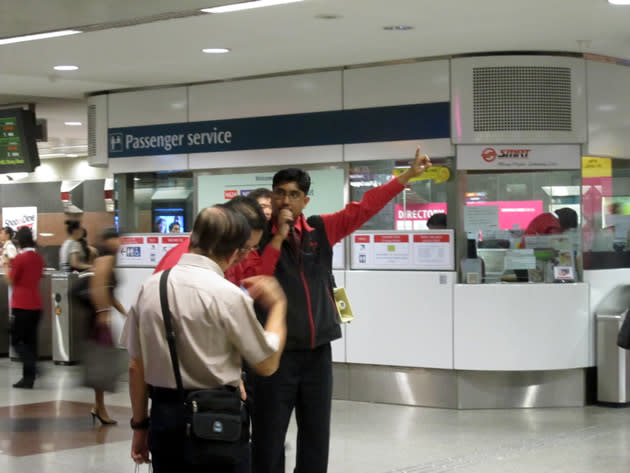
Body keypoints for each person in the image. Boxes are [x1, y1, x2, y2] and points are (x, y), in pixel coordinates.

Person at [249, 145, 431, 473]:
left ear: (305, 201)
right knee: (268, 438)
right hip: (274, 357)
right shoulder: (257, 238)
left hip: (318, 354)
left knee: (316, 436)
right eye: (279, 193)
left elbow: (364, 208)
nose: (285, 200)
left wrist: (405, 177)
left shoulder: (320, 230)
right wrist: (279, 237)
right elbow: (258, 278)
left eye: (293, 194)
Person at [122, 205, 287, 472]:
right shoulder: (228, 295)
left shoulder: (151, 287)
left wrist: (140, 426)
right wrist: (278, 306)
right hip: (216, 421)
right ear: (234, 252)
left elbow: (135, 366)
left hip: (165, 420)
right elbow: (266, 364)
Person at [88, 228, 127, 425]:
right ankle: (99, 407)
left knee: (103, 364)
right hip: (101, 321)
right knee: (103, 366)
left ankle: (98, 405)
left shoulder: (107, 258)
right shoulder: (105, 259)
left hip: (103, 318)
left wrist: (124, 312)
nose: (119, 243)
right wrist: (102, 314)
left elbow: (109, 293)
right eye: (115, 239)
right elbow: (98, 286)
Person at [4, 227, 45, 389]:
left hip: (21, 305)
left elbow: (11, 281)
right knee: (30, 342)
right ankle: (28, 379)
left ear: (19, 241)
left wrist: (7, 268)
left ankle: (33, 367)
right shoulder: (38, 258)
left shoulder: (20, 259)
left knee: (15, 340)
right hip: (36, 305)